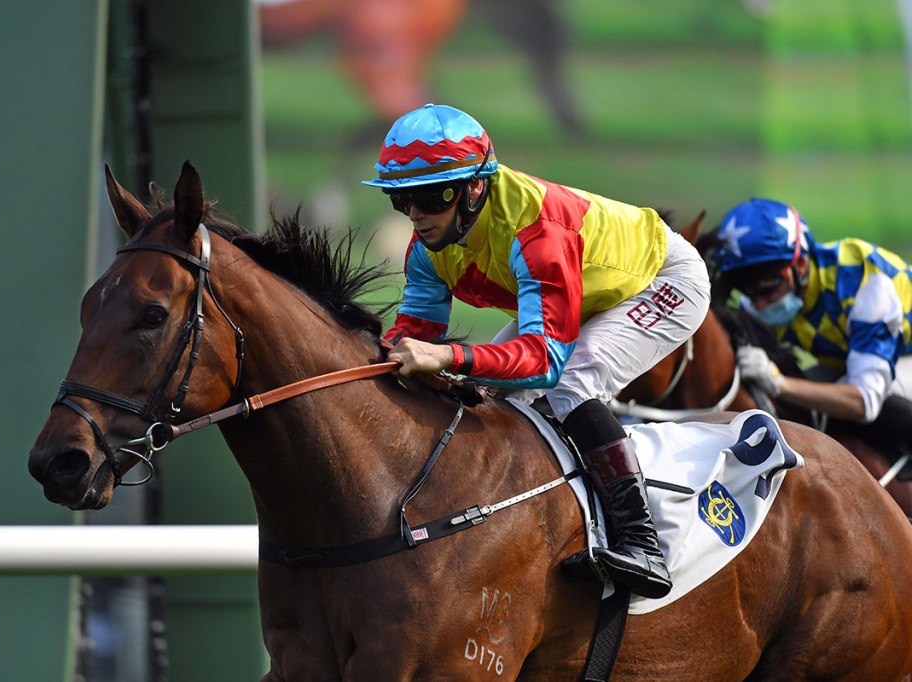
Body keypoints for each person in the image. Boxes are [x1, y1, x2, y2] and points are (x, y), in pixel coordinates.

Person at [364, 103, 711, 599]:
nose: (417, 216)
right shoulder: (427, 248)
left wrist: (446, 359)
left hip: (661, 280)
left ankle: (642, 542)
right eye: (401, 201)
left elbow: (545, 363)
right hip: (584, 289)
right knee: (486, 393)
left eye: (429, 197)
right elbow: (416, 334)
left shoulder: (536, 230)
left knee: (572, 382)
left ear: (475, 187)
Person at [712, 197, 912, 468]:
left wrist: (779, 382)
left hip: (903, 357)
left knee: (867, 403)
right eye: (748, 290)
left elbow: (864, 402)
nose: (758, 304)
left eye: (768, 286)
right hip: (851, 358)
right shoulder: (767, 297)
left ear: (801, 266)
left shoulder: (867, 285)